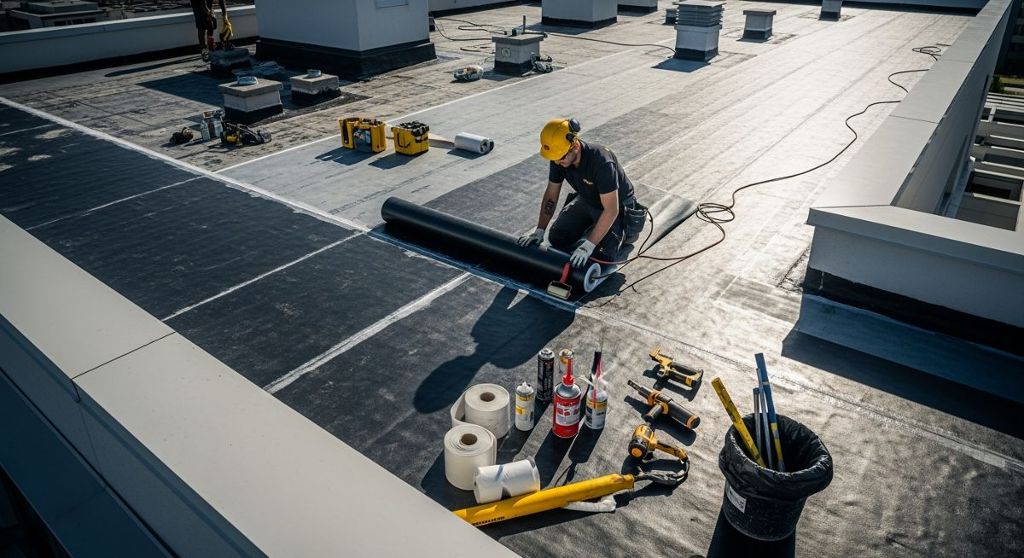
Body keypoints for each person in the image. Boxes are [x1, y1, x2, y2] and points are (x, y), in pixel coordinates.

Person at [518, 118, 642, 268]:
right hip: (589, 199)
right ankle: (593, 227)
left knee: (601, 256)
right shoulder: (559, 156)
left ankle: (625, 232)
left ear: (574, 146)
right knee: (557, 238)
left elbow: (611, 209)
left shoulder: (601, 161)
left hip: (616, 205)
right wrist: (539, 230)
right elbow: (551, 194)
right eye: (555, 159)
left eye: (561, 158)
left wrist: (588, 246)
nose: (557, 162)